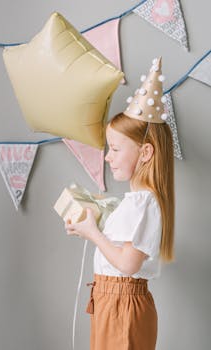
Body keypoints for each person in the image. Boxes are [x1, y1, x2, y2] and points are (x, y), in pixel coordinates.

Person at [65, 57, 175, 350]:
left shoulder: (144, 203)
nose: (107, 157)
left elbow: (128, 263)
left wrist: (93, 234)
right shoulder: (134, 203)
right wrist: (89, 224)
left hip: (121, 302)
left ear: (145, 152)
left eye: (114, 149)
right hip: (109, 298)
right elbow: (121, 249)